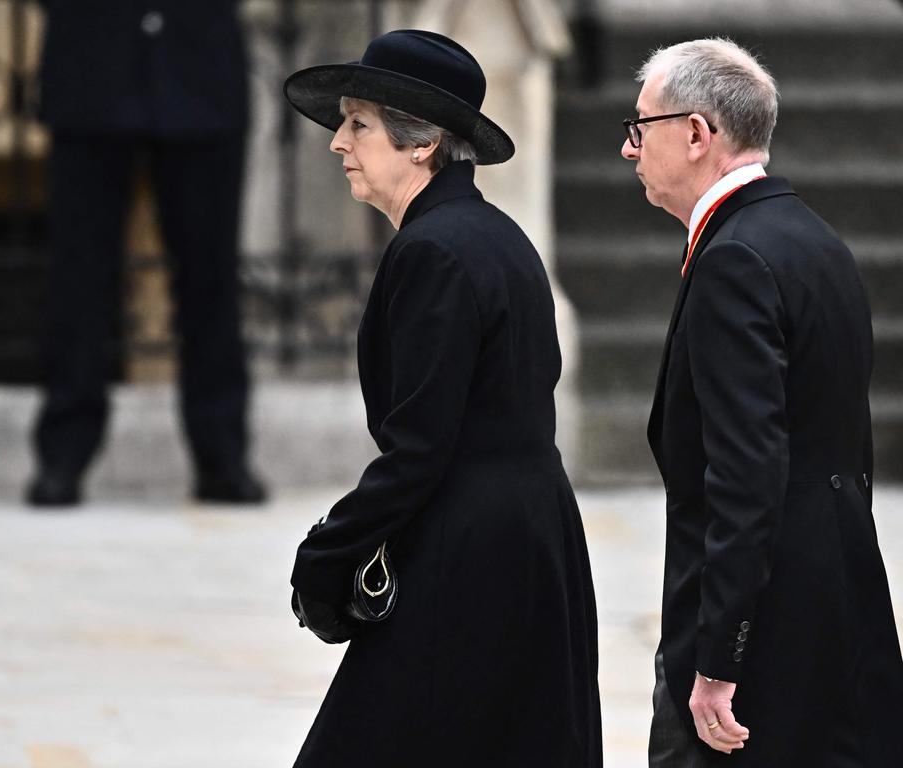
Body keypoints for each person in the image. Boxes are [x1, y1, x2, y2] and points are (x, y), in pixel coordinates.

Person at [283, 29, 601, 767]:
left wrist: (325, 554)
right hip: (530, 533)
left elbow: (421, 445)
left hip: (470, 550)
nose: (339, 142)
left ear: (420, 145)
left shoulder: (434, 250)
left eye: (358, 124)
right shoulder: (496, 236)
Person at [622, 38, 903, 766]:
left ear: (694, 134)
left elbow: (746, 476)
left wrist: (719, 659)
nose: (628, 150)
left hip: (766, 632)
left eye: (639, 127)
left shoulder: (735, 260)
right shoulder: (814, 239)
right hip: (839, 597)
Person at [27, 1, 265, 506]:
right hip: (91, 65)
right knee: (79, 275)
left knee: (211, 279)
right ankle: (63, 455)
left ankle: (222, 455)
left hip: (199, 65)